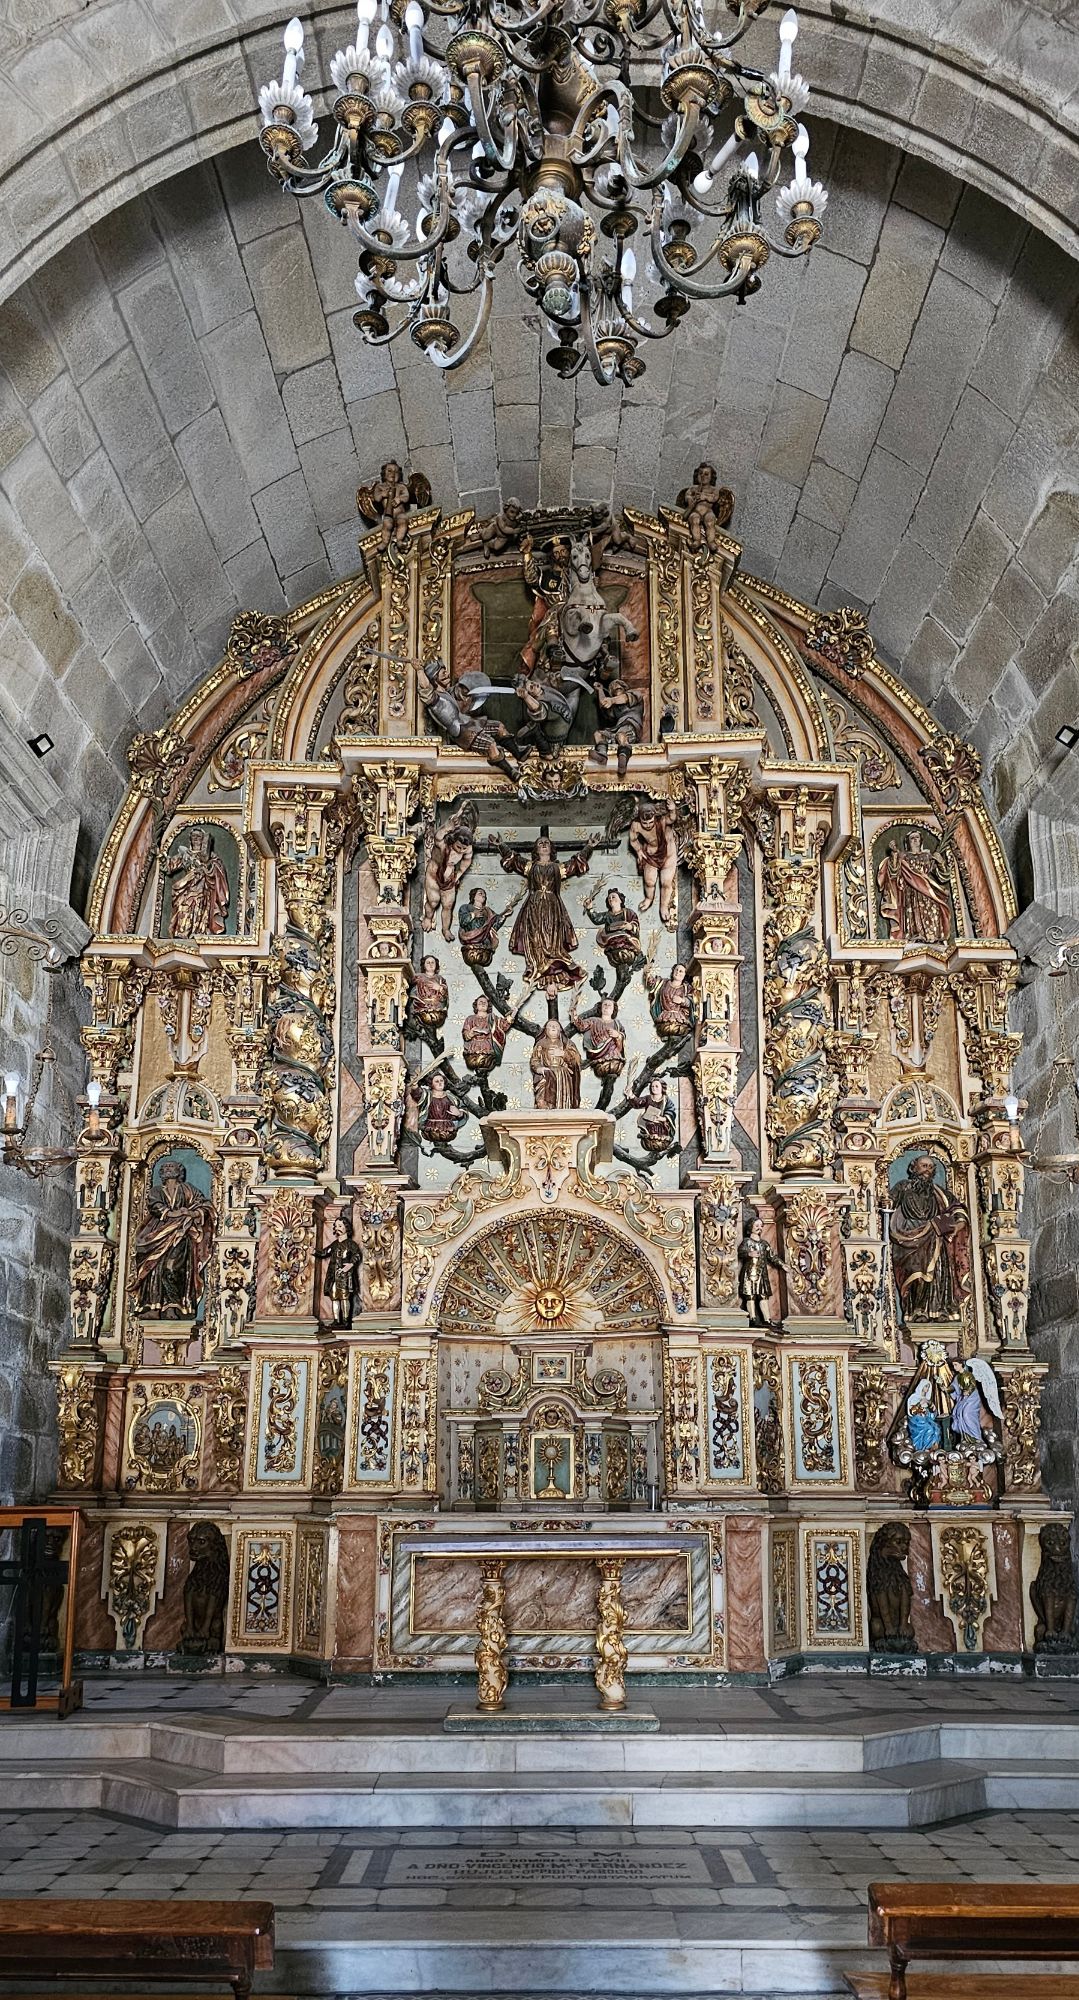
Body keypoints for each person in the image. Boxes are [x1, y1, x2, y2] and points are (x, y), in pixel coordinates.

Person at [494, 830, 594, 988]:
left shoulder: (557, 868)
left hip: (553, 907)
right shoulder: (530, 866)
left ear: (552, 848)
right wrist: (501, 845)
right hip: (534, 906)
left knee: (552, 935)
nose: (544, 845)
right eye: (540, 843)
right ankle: (538, 965)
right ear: (536, 850)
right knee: (536, 935)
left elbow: (574, 864)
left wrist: (589, 847)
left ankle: (554, 962)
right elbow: (514, 861)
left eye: (546, 842)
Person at [890, 1155, 972, 1322]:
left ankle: (940, 1310)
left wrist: (958, 1225)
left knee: (939, 1274)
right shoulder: (903, 1187)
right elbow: (887, 1203)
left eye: (930, 1167)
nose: (927, 1170)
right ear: (914, 1167)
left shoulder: (939, 1192)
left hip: (936, 1238)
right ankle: (916, 1310)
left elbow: (958, 1210)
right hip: (909, 1239)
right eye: (923, 1165)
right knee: (915, 1274)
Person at [131, 1160, 215, 1318]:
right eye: (165, 1167)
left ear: (179, 1171)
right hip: (157, 1234)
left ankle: (173, 1305)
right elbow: (154, 1205)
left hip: (180, 1234)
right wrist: (173, 1213)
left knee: (172, 1268)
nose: (168, 1169)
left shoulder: (187, 1189)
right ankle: (153, 1306)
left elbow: (204, 1205)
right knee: (154, 1268)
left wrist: (192, 1214)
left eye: (172, 1166)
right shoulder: (156, 1190)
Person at [876, 829, 952, 944]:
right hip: (911, 891)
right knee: (913, 912)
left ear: (921, 841)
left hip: (927, 890)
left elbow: (943, 877)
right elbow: (894, 872)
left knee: (931, 912)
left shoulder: (928, 857)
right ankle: (916, 935)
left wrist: (941, 863)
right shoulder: (905, 857)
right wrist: (895, 854)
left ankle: (934, 937)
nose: (915, 840)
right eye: (912, 838)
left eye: (917, 838)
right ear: (908, 843)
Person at [162, 827, 230, 937]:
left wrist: (206, 868)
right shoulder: (186, 854)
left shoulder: (211, 856)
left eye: (199, 837)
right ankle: (183, 932)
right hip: (187, 885)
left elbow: (218, 868)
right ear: (190, 839)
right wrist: (160, 856)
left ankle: (198, 931)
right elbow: (169, 866)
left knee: (200, 906)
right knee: (183, 905)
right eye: (194, 837)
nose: (196, 839)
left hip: (203, 886)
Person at [629, 797, 679, 929]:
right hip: (650, 855)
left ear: (654, 817)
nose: (648, 825)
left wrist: (673, 809)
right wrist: (639, 850)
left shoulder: (661, 821)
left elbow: (672, 818)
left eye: (650, 822)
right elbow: (633, 840)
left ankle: (663, 907)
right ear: (639, 819)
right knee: (649, 881)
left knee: (666, 882)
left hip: (668, 854)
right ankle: (649, 899)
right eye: (644, 823)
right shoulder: (636, 826)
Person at [737, 1215, 786, 1327]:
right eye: (757, 1225)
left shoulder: (764, 1244)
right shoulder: (747, 1241)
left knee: (763, 1296)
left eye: (761, 1226)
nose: (759, 1228)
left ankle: (767, 1320)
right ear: (751, 1227)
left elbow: (772, 1256)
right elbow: (740, 1252)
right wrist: (749, 1254)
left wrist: (782, 1265)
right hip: (749, 1273)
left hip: (761, 1274)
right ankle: (753, 1318)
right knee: (750, 1296)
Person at [583, 886, 642, 971]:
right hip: (612, 941)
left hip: (625, 940)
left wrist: (630, 926)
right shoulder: (608, 915)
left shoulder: (628, 912)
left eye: (613, 897)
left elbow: (635, 922)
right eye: (609, 898)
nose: (610, 899)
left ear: (620, 900)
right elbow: (597, 919)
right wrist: (590, 909)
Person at [530, 1017, 582, 1110]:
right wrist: (540, 1069)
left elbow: (577, 1060)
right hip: (547, 1074)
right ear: (546, 1030)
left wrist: (563, 1054)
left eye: (556, 1026)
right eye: (550, 1026)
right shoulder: (540, 1044)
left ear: (560, 1030)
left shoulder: (567, 1043)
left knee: (563, 1101)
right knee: (543, 1102)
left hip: (563, 1076)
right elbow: (535, 1060)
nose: (553, 1027)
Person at [571, 995, 626, 1082]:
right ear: (601, 1008)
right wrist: (575, 1017)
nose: (607, 1007)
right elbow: (581, 1026)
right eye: (605, 1005)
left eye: (609, 1005)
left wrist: (618, 1035)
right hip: (599, 1050)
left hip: (614, 1054)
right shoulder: (594, 1020)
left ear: (613, 1010)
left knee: (614, 1056)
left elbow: (623, 1037)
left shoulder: (617, 1023)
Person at [321, 1213, 362, 1329]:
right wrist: (311, 1250)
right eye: (336, 1226)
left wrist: (351, 1264)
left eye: (340, 1226)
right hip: (334, 1275)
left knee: (344, 1297)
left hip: (345, 1275)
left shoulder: (351, 1244)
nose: (337, 1228)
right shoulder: (335, 1244)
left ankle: (345, 1320)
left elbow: (357, 1255)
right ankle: (336, 1320)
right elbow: (325, 1252)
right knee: (334, 1297)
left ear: (346, 1228)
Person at [646, 961, 694, 1039]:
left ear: (685, 974)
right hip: (664, 1016)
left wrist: (682, 1001)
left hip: (679, 1018)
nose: (678, 972)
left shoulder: (686, 988)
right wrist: (647, 972)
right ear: (673, 971)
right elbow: (652, 983)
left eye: (681, 971)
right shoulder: (663, 983)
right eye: (676, 970)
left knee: (679, 1029)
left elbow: (693, 1001)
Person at [461, 994, 507, 1075]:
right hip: (473, 1048)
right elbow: (466, 1034)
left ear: (488, 1006)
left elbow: (503, 1026)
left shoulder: (492, 1018)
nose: (482, 1003)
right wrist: (470, 1033)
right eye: (480, 1002)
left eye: (485, 1003)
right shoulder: (470, 1019)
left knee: (486, 1060)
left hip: (487, 1046)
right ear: (476, 1006)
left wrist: (512, 1015)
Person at [410, 954, 449, 1030]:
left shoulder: (440, 978)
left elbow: (445, 996)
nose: (430, 964)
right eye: (428, 962)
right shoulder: (418, 977)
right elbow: (410, 985)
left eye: (432, 962)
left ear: (436, 965)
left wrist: (439, 988)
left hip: (436, 1007)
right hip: (422, 1006)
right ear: (424, 966)